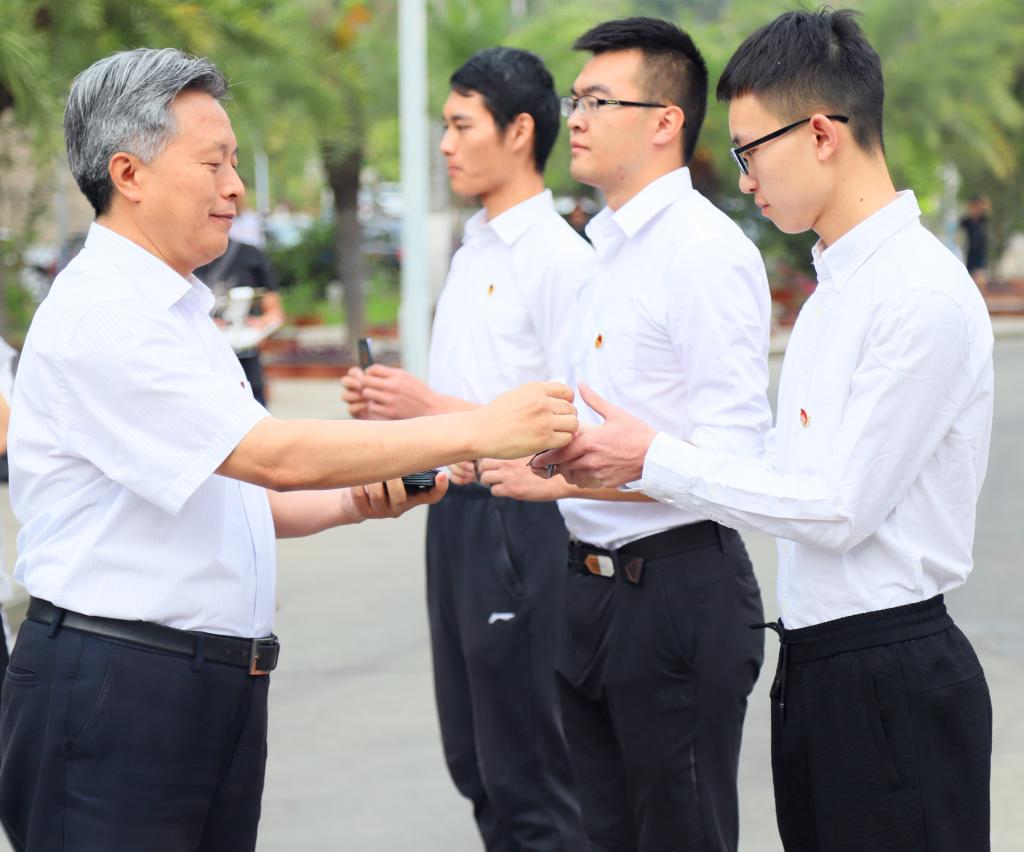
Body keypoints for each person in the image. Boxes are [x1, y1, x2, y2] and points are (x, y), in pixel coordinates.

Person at [0, 47, 578, 852]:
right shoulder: (106, 314)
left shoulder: (177, 312)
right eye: (213, 163)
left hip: (203, 683)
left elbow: (245, 494)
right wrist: (482, 429)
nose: (236, 186)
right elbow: (272, 454)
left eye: (234, 161)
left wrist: (351, 503)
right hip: (118, 687)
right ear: (128, 173)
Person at [544, 9, 994, 852]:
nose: (745, 179)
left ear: (820, 133)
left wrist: (654, 457)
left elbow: (838, 507)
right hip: (819, 661)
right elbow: (780, 470)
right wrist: (605, 466)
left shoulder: (919, 294)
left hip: (891, 669)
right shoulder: (835, 291)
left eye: (751, 151)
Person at [479, 18, 772, 852]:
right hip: (589, 588)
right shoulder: (603, 253)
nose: (574, 118)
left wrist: (583, 477)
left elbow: (736, 463)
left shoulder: (703, 253)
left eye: (599, 102)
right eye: (575, 99)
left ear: (664, 121)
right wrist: (551, 471)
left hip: (676, 590)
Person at [341, 47, 591, 851]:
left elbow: (573, 421)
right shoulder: (474, 248)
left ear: (519, 132)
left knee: (531, 768)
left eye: (461, 125)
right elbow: (472, 399)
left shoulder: (559, 260)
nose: (445, 145)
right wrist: (396, 411)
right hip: (456, 517)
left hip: (521, 521)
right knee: (476, 760)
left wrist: (428, 410)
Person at [195, 236, 284, 405]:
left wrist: (259, 326)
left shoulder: (249, 254)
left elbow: (275, 313)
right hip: (200, 369)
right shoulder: (176, 254)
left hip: (247, 364)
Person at [961, 194, 992, 290]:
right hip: (970, 253)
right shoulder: (966, 222)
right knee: (971, 279)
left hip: (981, 254)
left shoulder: (984, 221)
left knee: (981, 277)